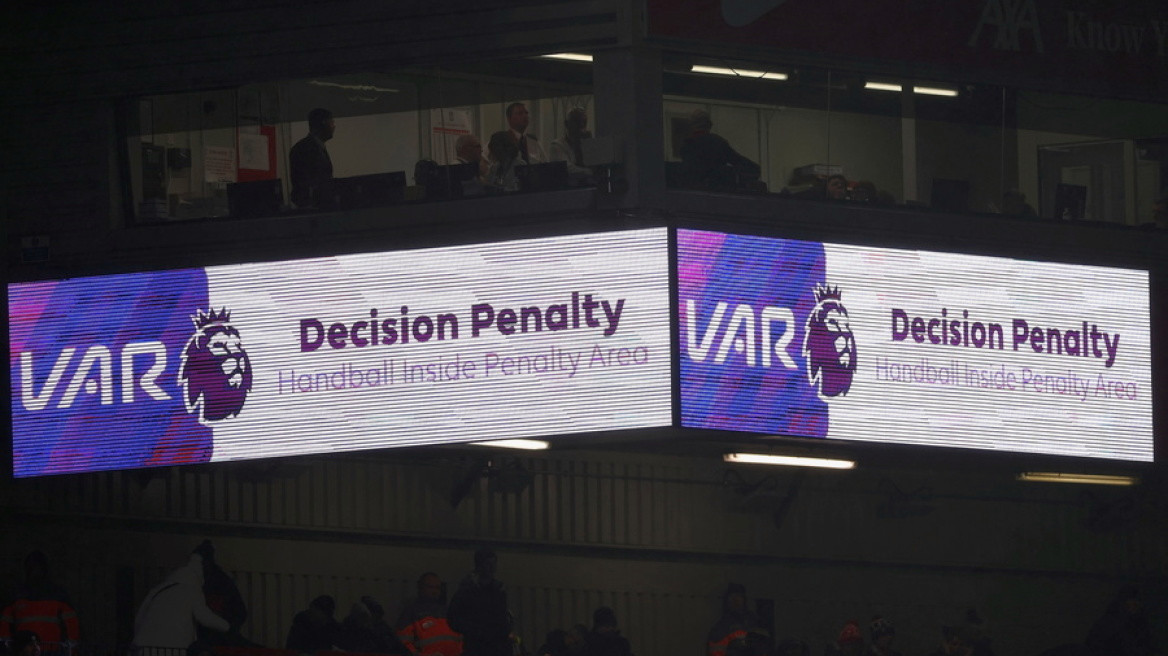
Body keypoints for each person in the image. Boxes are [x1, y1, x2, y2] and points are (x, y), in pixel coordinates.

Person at [132, 548, 229, 652]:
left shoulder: (159, 589)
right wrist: (227, 627)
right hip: (174, 646)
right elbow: (204, 617)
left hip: (143, 647)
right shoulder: (192, 590)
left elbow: (139, 618)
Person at [0, 551, 80, 654]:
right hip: (29, 651)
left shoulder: (58, 595)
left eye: (38, 567)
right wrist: (7, 648)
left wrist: (72, 649)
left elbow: (71, 624)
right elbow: (4, 624)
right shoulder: (16, 595)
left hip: (50, 651)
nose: (35, 571)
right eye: (32, 568)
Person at [679, 109, 761, 191]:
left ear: (692, 126)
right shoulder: (717, 143)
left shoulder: (687, 146)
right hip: (717, 191)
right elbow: (737, 161)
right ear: (709, 126)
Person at [448, 549, 511, 656]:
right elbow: (453, 618)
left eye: (494, 564)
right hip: (476, 646)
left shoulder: (498, 591)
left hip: (496, 646)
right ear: (479, 566)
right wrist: (474, 631)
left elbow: (502, 617)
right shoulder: (467, 591)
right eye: (488, 564)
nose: (492, 568)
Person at [396, 572, 462, 656]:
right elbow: (403, 643)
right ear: (421, 588)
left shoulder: (448, 611)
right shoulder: (411, 613)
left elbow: (461, 638)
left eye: (437, 588)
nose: (434, 591)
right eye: (430, 587)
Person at [1085, 586, 1157, 656]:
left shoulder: (1141, 625)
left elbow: (1146, 648)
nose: (1135, 604)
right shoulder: (1107, 624)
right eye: (1131, 600)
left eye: (1137, 601)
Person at [289, 107, 336, 209]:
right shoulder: (304, 149)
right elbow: (304, 183)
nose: (334, 126)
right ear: (323, 123)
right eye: (331, 122)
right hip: (313, 207)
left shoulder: (308, 147)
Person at [707, 583, 761, 656]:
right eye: (732, 596)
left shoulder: (753, 620)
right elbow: (714, 648)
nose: (735, 600)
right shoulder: (722, 625)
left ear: (744, 599)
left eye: (738, 596)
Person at [548, 107, 593, 183]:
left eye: (584, 122)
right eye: (577, 121)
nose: (581, 125)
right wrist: (591, 172)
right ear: (566, 124)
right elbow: (567, 169)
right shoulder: (557, 146)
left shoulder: (587, 144)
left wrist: (589, 146)